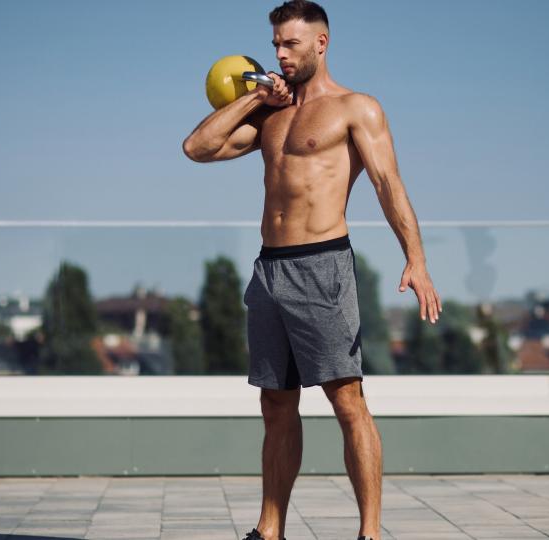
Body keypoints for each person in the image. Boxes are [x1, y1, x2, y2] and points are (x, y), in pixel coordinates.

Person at [182, 1, 441, 539]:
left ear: (320, 44)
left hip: (323, 266)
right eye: (275, 42)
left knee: (347, 401)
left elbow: (388, 185)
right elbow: (196, 148)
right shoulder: (270, 113)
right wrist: (255, 95)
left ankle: (370, 533)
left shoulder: (355, 108)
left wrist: (415, 259)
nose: (279, 53)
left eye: (291, 44)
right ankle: (269, 530)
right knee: (275, 404)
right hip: (270, 270)